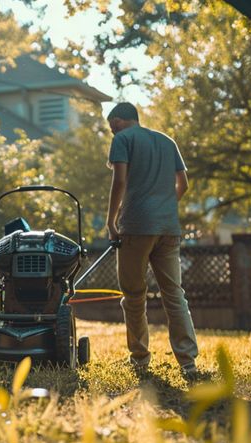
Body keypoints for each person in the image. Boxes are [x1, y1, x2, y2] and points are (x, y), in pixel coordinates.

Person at [105, 102, 200, 379]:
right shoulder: (167, 141)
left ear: (121, 121)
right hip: (168, 227)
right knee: (174, 294)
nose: (112, 133)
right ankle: (188, 362)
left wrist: (111, 222)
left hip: (136, 225)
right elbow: (183, 184)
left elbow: (119, 181)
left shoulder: (123, 140)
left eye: (113, 126)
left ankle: (140, 358)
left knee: (134, 294)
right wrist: (166, 206)